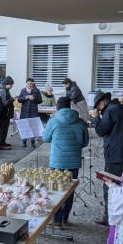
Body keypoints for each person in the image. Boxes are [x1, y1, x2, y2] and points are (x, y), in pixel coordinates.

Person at [42, 97, 89, 227]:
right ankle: (64, 218)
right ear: (69, 106)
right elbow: (85, 142)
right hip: (73, 162)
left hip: (57, 162)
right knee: (69, 191)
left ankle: (56, 220)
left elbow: (45, 139)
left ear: (58, 108)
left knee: (55, 190)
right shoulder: (80, 122)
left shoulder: (53, 121)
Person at [90, 92, 123, 226]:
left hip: (115, 154)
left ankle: (109, 216)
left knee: (109, 185)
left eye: (98, 108)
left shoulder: (109, 111)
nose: (98, 110)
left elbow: (100, 131)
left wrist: (96, 118)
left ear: (101, 103)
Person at [17, 78, 42, 148]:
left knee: (32, 127)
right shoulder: (23, 90)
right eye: (28, 83)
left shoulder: (37, 91)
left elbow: (40, 101)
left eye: (31, 83)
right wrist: (25, 98)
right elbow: (19, 99)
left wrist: (34, 99)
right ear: (26, 84)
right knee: (24, 127)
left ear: (33, 84)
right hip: (24, 112)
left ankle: (32, 142)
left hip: (33, 112)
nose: (29, 85)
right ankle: (24, 142)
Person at [0, 76, 15, 150]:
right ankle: (0, 144)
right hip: (3, 113)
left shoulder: (5, 90)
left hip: (6, 113)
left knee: (5, 128)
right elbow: (4, 103)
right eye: (11, 85)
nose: (11, 86)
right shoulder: (2, 91)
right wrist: (12, 99)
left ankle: (3, 141)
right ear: (7, 84)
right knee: (2, 129)